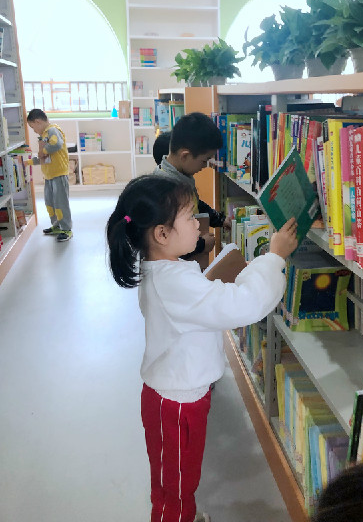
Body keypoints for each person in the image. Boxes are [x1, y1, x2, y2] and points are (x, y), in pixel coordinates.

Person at [106, 174, 298, 522]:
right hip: (176, 405)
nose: (198, 222)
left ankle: (181, 514)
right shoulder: (174, 281)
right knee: (175, 487)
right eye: (189, 216)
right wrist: (274, 257)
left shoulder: (165, 268)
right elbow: (245, 305)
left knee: (178, 478)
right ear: (162, 234)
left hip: (180, 396)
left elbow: (199, 302)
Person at [153, 113, 232, 261]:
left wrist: (219, 219)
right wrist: (201, 245)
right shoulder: (166, 189)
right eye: (204, 160)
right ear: (185, 156)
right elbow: (168, 241)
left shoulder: (181, 177)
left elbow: (196, 204)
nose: (205, 166)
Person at [26, 108, 73, 242]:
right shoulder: (44, 135)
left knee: (61, 203)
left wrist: (44, 150)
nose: (34, 131)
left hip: (58, 174)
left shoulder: (53, 130)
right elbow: (43, 158)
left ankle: (66, 229)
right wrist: (28, 162)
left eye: (33, 127)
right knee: (50, 203)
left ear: (38, 122)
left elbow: (57, 144)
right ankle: (57, 225)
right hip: (49, 176)